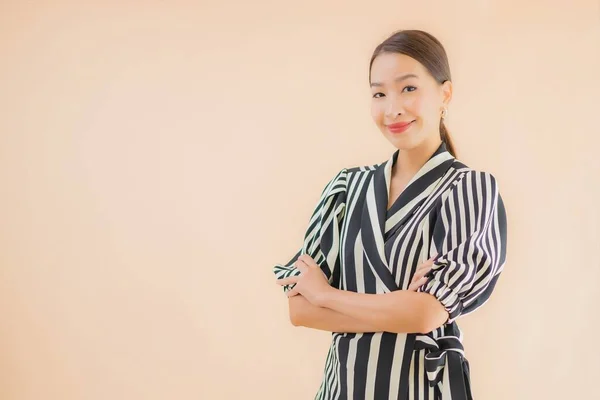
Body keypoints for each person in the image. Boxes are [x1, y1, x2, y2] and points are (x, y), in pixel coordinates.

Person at [273, 29, 508, 400]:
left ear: (445, 93)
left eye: (408, 89)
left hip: (421, 388)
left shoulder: (469, 188)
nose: (392, 108)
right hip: (344, 388)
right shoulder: (346, 188)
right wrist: (401, 306)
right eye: (379, 93)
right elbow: (300, 310)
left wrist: (327, 294)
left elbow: (426, 314)